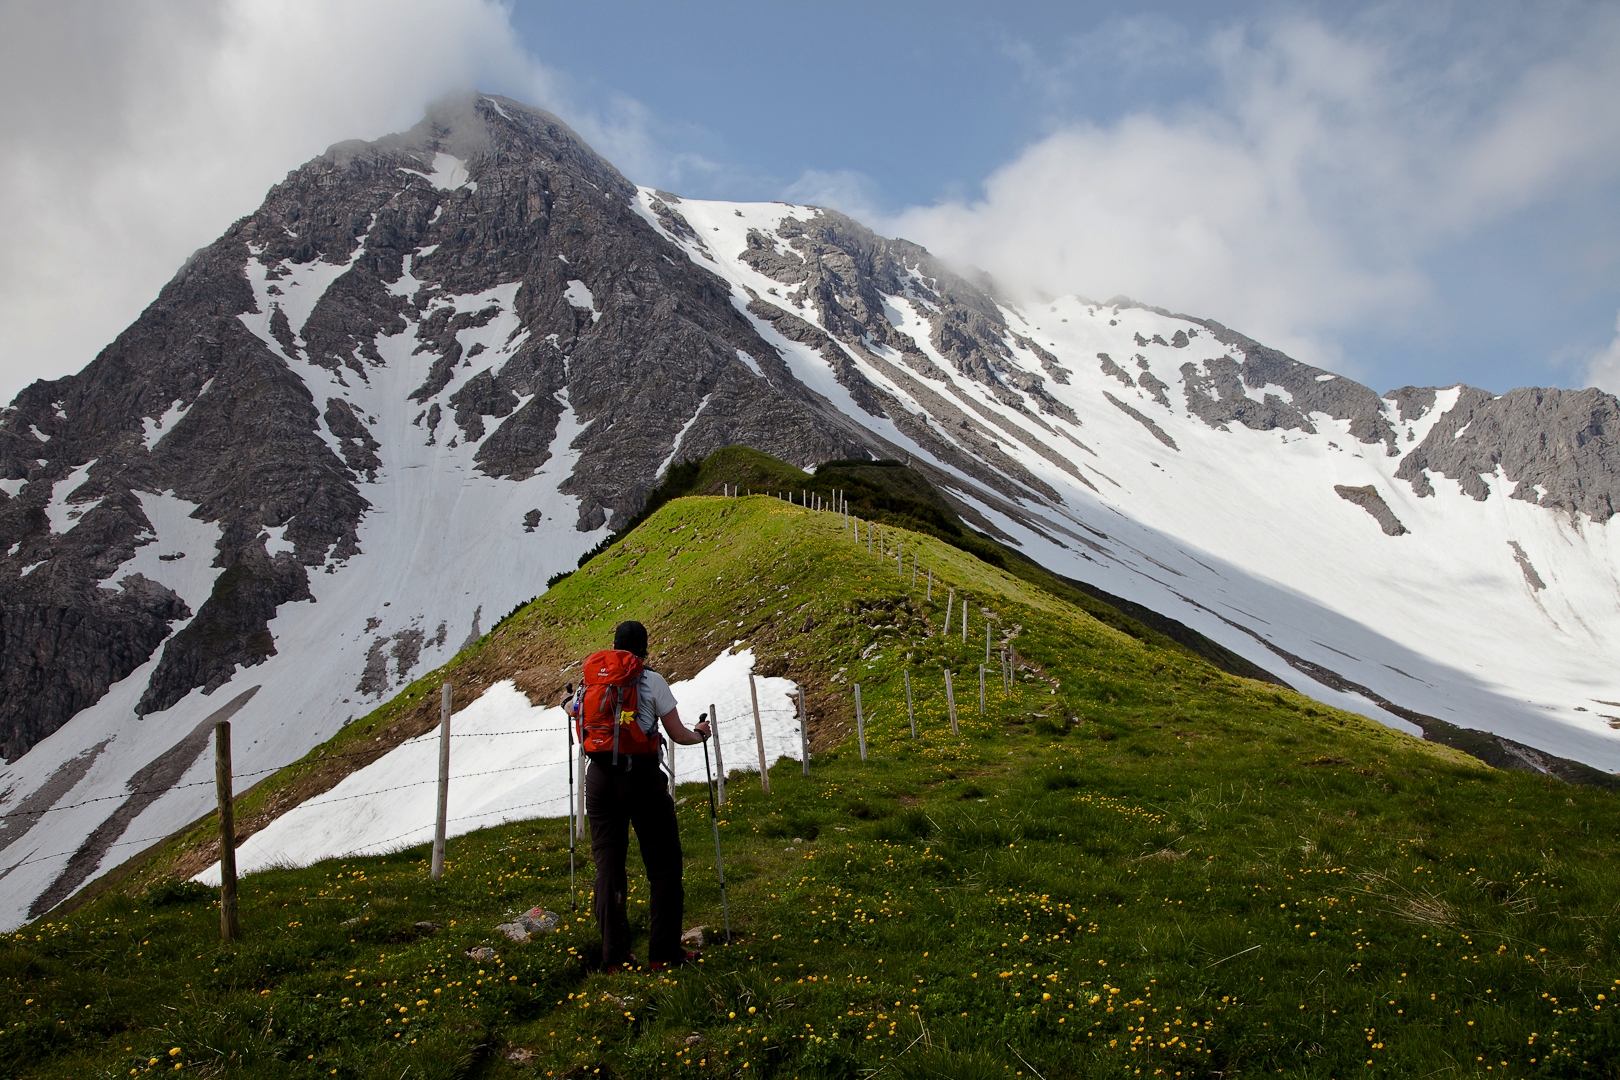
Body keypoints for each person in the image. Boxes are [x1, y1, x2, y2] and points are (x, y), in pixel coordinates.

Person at [569, 620, 710, 971]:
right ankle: (663, 955)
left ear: (614, 644)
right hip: (641, 778)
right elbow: (677, 734)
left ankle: (614, 957)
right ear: (644, 648)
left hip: (599, 779)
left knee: (608, 867)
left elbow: (575, 710)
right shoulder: (651, 681)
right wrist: (700, 734)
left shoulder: (591, 680)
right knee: (663, 865)